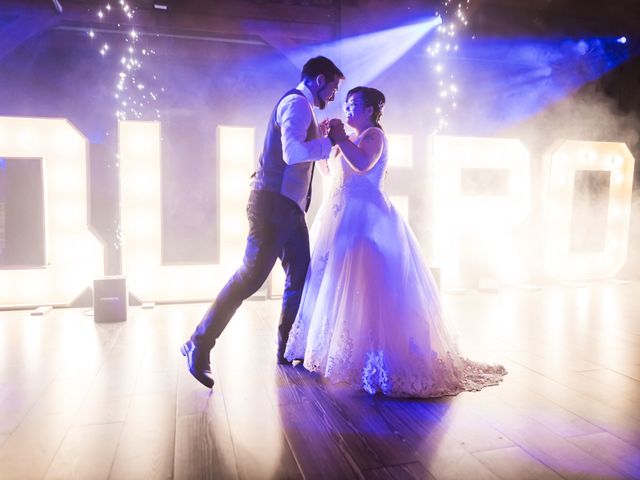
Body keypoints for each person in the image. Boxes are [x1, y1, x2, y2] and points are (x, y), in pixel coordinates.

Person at [284, 86, 507, 397]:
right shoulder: (345, 139)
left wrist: (339, 138)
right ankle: (336, 353)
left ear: (371, 110)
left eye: (354, 104)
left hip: (366, 217)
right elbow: (328, 171)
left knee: (368, 286)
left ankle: (375, 357)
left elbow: (362, 164)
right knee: (338, 285)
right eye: (346, 103)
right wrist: (331, 143)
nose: (347, 108)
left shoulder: (373, 136)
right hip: (339, 215)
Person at [181, 56, 348, 388]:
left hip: (289, 209)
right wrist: (330, 140)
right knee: (250, 278)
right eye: (333, 88)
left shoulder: (308, 110)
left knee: (300, 274)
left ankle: (287, 348)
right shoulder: (297, 104)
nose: (333, 96)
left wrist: (324, 135)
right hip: (273, 206)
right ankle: (199, 343)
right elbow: (294, 153)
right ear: (318, 80)